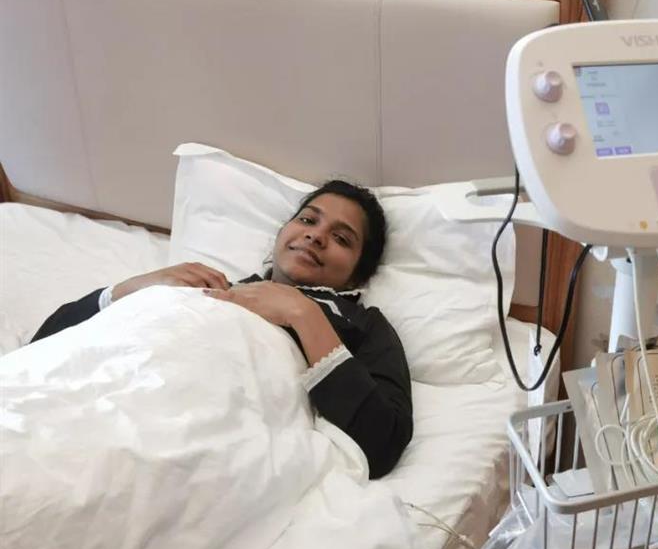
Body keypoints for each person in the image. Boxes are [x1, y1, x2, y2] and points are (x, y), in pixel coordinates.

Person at [31, 181, 412, 479]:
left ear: (359, 274)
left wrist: (303, 313)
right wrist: (131, 289)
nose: (315, 235)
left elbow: (384, 444)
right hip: (92, 399)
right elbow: (42, 347)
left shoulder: (362, 324)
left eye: (342, 238)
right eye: (308, 220)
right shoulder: (213, 285)